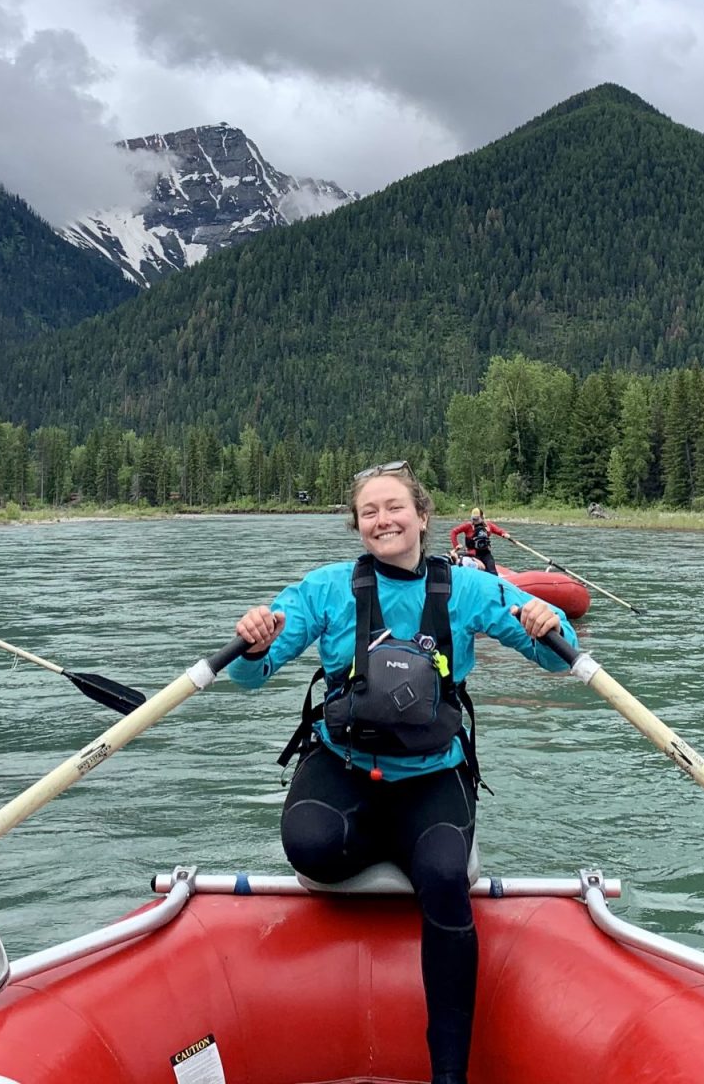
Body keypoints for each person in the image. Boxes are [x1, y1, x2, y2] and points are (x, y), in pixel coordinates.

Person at [230, 464, 576, 1084]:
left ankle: (449, 1075)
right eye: (369, 512)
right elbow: (251, 672)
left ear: (421, 516)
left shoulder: (467, 590)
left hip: (432, 773)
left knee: (444, 880)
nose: (383, 520)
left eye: (394, 508)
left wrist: (547, 627)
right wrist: (255, 643)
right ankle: (401, 839)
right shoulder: (327, 588)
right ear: (357, 525)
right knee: (310, 849)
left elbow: (554, 657)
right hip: (344, 765)